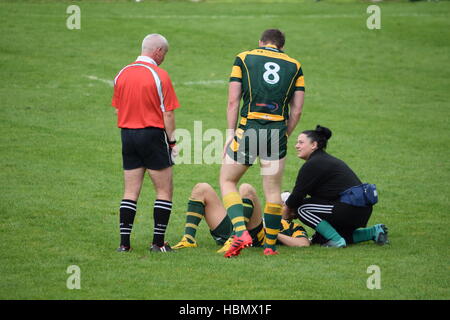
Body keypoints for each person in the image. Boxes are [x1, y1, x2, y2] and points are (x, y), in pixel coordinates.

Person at [220, 29, 305, 257]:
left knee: (227, 180)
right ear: (281, 46)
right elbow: (296, 110)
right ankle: (269, 246)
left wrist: (230, 134)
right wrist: (284, 132)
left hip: (249, 128)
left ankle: (240, 232)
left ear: (261, 42)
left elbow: (232, 101)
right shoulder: (295, 66)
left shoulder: (244, 58)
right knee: (273, 191)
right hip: (276, 131)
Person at [111, 34, 180, 253]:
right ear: (157, 51)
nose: (164, 58)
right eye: (164, 54)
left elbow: (117, 108)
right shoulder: (159, 75)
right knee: (164, 190)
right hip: (152, 135)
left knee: (130, 191)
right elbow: (167, 114)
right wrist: (172, 142)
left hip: (127, 135)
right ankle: (158, 243)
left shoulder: (121, 73)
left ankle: (124, 244)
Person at [284, 125, 389, 248]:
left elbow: (296, 197)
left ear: (314, 145)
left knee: (302, 208)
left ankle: (337, 241)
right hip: (360, 211)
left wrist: (285, 213)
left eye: (301, 142)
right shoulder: (324, 160)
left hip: (349, 209)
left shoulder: (313, 164)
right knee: (321, 238)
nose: (296, 146)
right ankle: (373, 232)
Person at [172, 183, 310, 252]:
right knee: (202, 188)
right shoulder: (266, 214)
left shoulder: (293, 227)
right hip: (239, 225)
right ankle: (189, 239)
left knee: (246, 189)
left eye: (284, 204)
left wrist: (274, 233)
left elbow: (303, 243)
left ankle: (236, 238)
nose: (279, 204)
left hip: (256, 235)